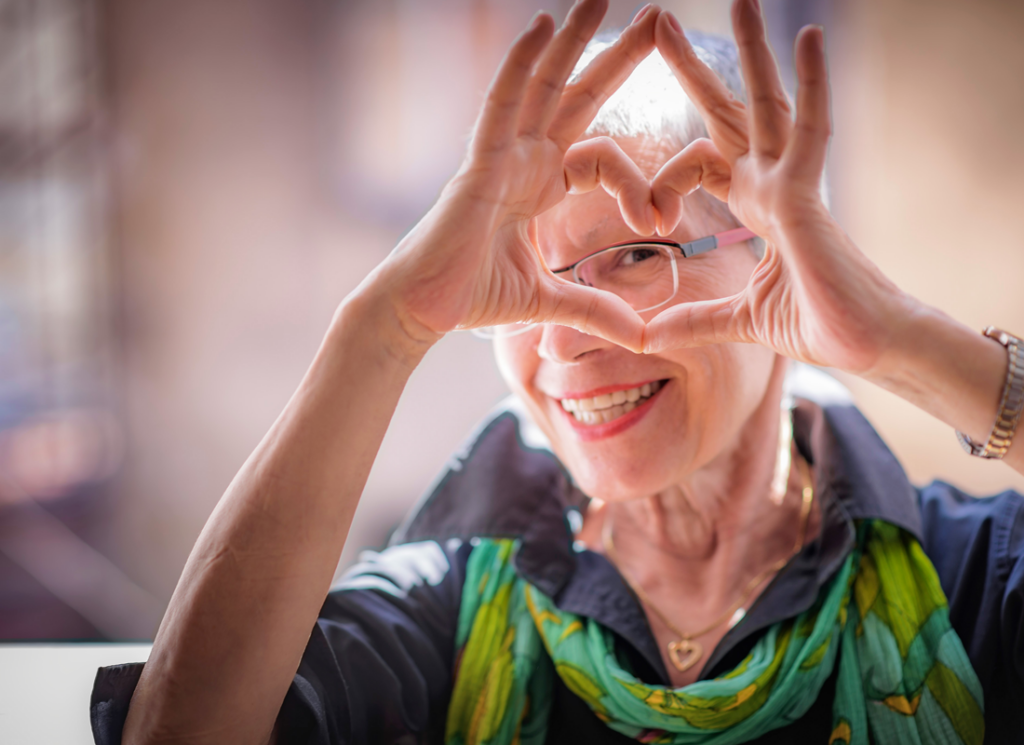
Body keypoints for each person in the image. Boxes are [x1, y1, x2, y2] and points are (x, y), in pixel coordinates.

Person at [91, 1, 1024, 743]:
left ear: (774, 256)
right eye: (523, 285)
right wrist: (382, 331)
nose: (563, 342)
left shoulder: (972, 577)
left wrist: (904, 341)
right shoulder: (447, 604)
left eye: (636, 254)